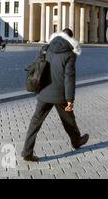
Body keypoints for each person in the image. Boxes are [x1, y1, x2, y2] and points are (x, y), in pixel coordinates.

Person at [21, 28, 89, 162]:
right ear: (71, 39)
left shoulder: (46, 48)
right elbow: (69, 77)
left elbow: (37, 66)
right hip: (60, 94)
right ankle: (76, 141)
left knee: (35, 122)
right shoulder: (70, 53)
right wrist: (70, 99)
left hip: (43, 91)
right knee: (68, 120)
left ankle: (27, 152)